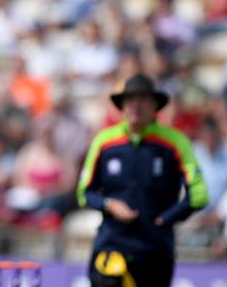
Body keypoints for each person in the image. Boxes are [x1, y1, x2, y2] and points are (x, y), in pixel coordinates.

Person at [76, 73, 209, 287]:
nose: (136, 106)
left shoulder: (174, 142)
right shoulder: (104, 142)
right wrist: (109, 204)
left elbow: (199, 195)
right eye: (130, 99)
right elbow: (84, 193)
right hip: (112, 245)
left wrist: (164, 219)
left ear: (155, 105)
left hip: (155, 250)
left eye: (144, 99)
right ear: (122, 105)